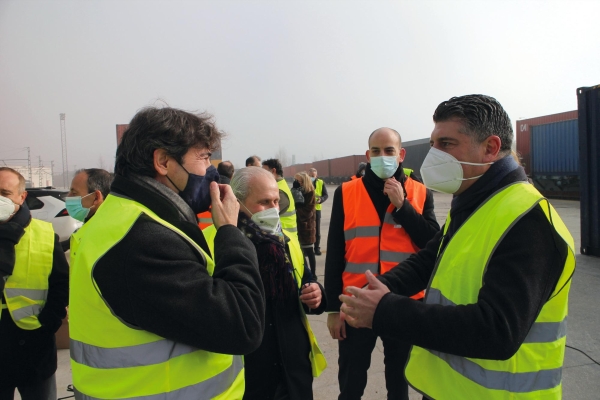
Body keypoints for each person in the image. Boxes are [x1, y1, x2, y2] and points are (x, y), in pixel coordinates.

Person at [339, 95, 575, 400]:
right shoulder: (475, 202)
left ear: (490, 148)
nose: (434, 155)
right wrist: (375, 289)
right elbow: (429, 260)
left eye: (446, 144)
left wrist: (386, 310)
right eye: (433, 143)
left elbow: (496, 330)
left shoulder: (529, 221)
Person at [69, 106, 265, 399]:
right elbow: (242, 323)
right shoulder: (141, 240)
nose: (210, 170)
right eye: (203, 158)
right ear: (162, 161)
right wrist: (229, 233)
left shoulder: (126, 217)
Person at [325, 127, 439, 400]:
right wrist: (332, 309)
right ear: (368, 154)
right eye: (376, 151)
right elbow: (335, 253)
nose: (382, 156)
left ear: (401, 154)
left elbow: (433, 244)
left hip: (403, 302)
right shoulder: (347, 192)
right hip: (356, 301)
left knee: (399, 383)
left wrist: (403, 207)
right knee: (351, 382)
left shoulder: (421, 193)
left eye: (389, 151)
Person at [203, 167, 327, 400]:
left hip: (293, 372)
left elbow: (305, 276)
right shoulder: (212, 242)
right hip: (247, 376)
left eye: (275, 201)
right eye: (263, 202)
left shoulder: (283, 239)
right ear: (236, 203)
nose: (273, 209)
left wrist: (316, 293)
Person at [0, 167, 69, 400]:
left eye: (4, 193)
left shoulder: (45, 233)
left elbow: (61, 284)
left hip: (33, 346)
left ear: (22, 197)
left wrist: (48, 322)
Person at [62, 168, 112, 251]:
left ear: (96, 197)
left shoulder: (103, 237)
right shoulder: (87, 229)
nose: (68, 197)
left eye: (74, 193)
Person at [262, 158, 297, 235]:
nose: (262, 175)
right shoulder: (279, 186)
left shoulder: (279, 191)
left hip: (286, 240)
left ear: (273, 171)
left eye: (264, 172)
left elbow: (265, 216)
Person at [294, 171, 317, 278]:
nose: (297, 183)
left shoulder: (310, 193)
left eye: (299, 181)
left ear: (304, 182)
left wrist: (296, 211)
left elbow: (309, 211)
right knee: (301, 253)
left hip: (307, 227)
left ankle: (313, 274)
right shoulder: (296, 191)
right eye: (296, 181)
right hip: (298, 227)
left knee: (309, 252)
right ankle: (306, 272)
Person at [308, 168, 328, 255]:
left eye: (314, 174)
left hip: (317, 209)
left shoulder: (321, 182)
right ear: (308, 174)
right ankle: (308, 248)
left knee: (317, 230)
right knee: (308, 228)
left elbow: (325, 195)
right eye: (311, 175)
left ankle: (316, 248)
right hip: (307, 209)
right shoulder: (305, 182)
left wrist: (321, 199)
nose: (313, 176)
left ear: (316, 174)